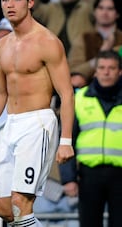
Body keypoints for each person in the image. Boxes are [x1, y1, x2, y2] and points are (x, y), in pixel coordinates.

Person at [0, 0, 75, 226]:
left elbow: (67, 93)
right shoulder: (2, 45)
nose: (10, 4)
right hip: (9, 126)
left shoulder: (48, 43)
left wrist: (66, 141)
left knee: (20, 203)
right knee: (4, 209)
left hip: (37, 125)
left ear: (30, 3)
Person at [68, 50, 122, 227]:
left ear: (119, 71)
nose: (106, 72)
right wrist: (69, 178)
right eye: (102, 68)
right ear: (95, 71)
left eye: (111, 68)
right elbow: (67, 138)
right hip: (89, 175)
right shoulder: (79, 98)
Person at [69, 0, 122, 83]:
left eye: (110, 9)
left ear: (117, 14)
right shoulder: (83, 38)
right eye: (101, 8)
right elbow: (74, 70)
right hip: (88, 87)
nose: (105, 13)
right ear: (94, 12)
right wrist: (102, 53)